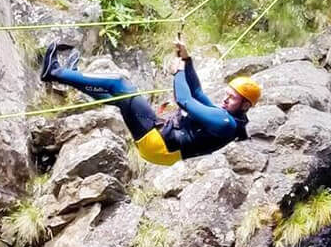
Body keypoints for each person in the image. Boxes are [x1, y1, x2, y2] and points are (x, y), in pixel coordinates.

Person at [40, 37, 261, 165]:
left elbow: (184, 100)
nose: (225, 98)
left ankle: (55, 71)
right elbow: (197, 91)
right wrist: (186, 58)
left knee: (120, 86)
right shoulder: (226, 117)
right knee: (121, 98)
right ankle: (74, 76)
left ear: (245, 105)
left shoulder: (225, 124)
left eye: (232, 98)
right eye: (228, 93)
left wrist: (178, 72)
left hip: (161, 145)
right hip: (162, 143)